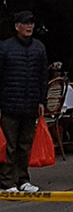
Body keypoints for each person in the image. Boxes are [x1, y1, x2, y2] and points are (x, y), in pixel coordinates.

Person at [0, 10, 47, 194]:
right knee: (9, 146)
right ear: (16, 26)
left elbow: (43, 76)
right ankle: (6, 181)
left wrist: (42, 100)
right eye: (25, 23)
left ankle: (23, 179)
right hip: (9, 104)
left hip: (30, 105)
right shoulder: (5, 48)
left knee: (25, 145)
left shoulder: (39, 48)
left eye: (31, 23)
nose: (29, 27)